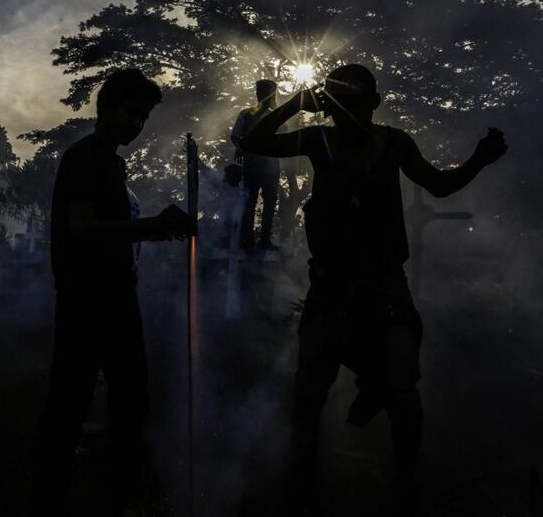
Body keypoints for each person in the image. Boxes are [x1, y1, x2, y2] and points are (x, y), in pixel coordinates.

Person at [239, 64, 507, 515]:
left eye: (355, 102)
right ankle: (301, 489)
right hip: (331, 285)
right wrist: (292, 104)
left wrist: (479, 159)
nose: (347, 112)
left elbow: (439, 185)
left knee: (402, 393)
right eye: (338, 102)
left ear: (373, 104)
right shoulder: (320, 139)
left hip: (384, 286)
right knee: (309, 392)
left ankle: (406, 490)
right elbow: (252, 143)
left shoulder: (394, 142)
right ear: (328, 105)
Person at [31, 68, 192, 517]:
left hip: (117, 293)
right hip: (89, 297)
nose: (137, 125)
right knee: (78, 397)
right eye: (130, 113)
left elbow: (116, 232)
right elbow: (82, 228)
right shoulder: (87, 158)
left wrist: (164, 231)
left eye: (143, 118)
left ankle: (111, 487)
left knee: (120, 395)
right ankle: (67, 491)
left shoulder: (113, 162)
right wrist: (155, 225)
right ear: (104, 108)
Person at [231, 79, 281, 251]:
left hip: (272, 164)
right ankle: (247, 240)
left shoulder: (277, 114)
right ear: (258, 94)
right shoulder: (247, 113)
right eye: (264, 92)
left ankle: (264, 239)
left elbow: (287, 136)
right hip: (253, 163)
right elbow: (235, 136)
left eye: (270, 92)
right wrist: (241, 148)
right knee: (250, 200)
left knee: (269, 201)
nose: (267, 96)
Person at [199, 162, 247, 248]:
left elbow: (209, 175)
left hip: (227, 233)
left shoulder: (227, 189)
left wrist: (196, 159)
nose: (224, 177)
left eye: (225, 175)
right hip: (236, 233)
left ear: (229, 176)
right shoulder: (243, 192)